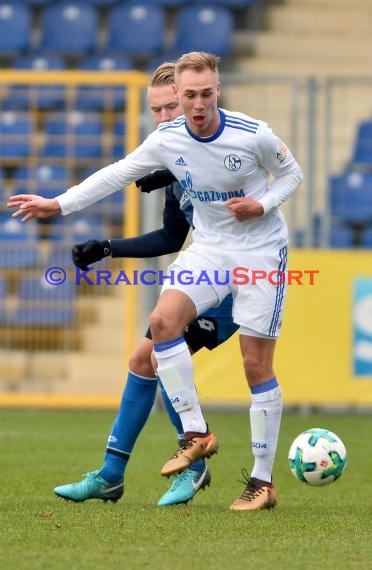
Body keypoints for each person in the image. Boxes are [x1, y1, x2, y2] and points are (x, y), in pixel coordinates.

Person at [8, 52, 303, 511]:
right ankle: (194, 434)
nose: (195, 104)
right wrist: (57, 204)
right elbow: (115, 174)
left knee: (255, 366)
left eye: (205, 94)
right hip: (209, 250)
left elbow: (291, 173)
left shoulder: (252, 134)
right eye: (187, 97)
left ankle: (262, 483)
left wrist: (261, 205)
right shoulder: (167, 141)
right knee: (161, 323)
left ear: (217, 91)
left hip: (261, 251)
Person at [58, 62, 238, 507]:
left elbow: (232, 179)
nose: (162, 117)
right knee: (145, 359)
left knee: (158, 357)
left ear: (195, 99)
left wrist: (176, 173)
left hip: (238, 278)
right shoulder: (172, 152)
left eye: (170, 106)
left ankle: (193, 466)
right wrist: (108, 247)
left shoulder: (226, 141)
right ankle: (112, 475)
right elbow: (172, 237)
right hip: (205, 274)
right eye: (155, 110)